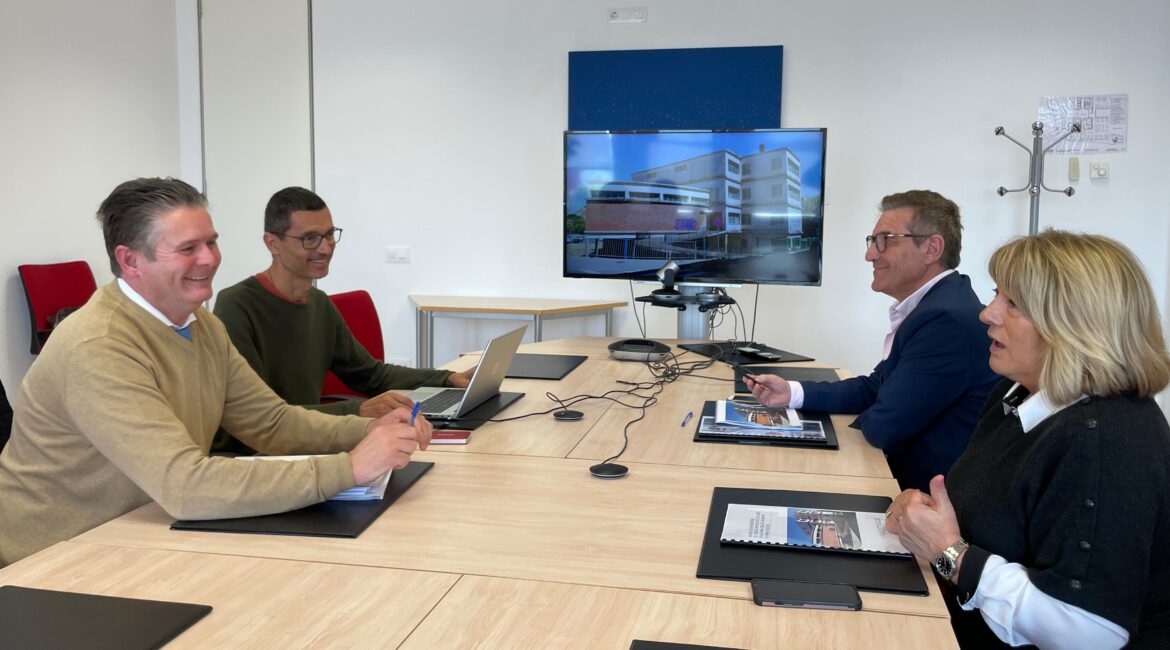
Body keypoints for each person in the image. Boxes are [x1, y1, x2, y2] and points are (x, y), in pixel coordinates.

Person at [0, 178, 432, 567]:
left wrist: (368, 429)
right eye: (188, 249)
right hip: (54, 560)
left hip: (142, 529)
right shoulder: (98, 345)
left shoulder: (200, 324)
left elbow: (271, 423)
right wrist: (350, 469)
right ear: (130, 260)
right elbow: (185, 485)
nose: (210, 259)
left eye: (212, 242)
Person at [886, 230, 1170, 649]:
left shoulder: (1106, 442)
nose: (987, 313)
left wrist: (950, 553)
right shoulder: (1016, 394)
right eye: (997, 294)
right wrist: (928, 519)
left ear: (1074, 325)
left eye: (1013, 304)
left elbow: (1089, 632)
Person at [747, 190, 999, 491]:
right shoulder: (939, 305)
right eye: (872, 241)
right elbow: (876, 387)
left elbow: (883, 425)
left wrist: (872, 410)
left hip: (919, 500)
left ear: (931, 248)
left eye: (886, 240)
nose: (870, 254)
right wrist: (791, 393)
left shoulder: (946, 319)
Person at [212, 186, 471, 454]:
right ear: (272, 243)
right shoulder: (236, 305)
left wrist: (447, 378)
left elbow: (371, 375)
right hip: (253, 456)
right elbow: (260, 417)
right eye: (309, 239)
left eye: (329, 235)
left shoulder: (319, 303)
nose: (325, 248)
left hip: (309, 446)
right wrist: (357, 410)